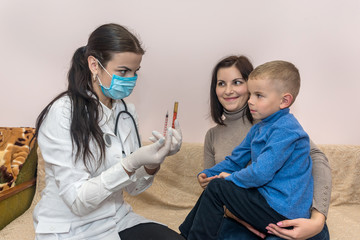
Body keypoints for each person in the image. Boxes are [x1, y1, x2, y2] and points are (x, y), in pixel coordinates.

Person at [32, 23, 185, 240]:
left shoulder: (126, 112)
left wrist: (152, 164)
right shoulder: (63, 113)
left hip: (116, 219)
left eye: (135, 71)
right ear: (94, 65)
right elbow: (77, 201)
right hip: (71, 229)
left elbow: (133, 189)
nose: (131, 79)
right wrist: (130, 163)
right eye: (123, 71)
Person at [179, 58, 331, 240]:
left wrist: (230, 178)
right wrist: (209, 173)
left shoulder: (286, 129)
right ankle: (185, 235)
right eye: (251, 95)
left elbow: (261, 173)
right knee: (217, 188)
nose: (250, 101)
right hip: (267, 204)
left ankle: (188, 236)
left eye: (258, 95)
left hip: (285, 212)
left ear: (284, 101)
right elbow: (235, 160)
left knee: (219, 187)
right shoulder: (259, 128)